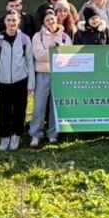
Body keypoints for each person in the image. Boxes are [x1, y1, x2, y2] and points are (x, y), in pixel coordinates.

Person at [0, 9, 33, 151]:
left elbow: (30, 62)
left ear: (19, 21)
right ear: (4, 22)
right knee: (4, 111)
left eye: (14, 20)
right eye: (9, 20)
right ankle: (4, 136)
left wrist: (31, 83)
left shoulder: (25, 39)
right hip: (3, 82)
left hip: (21, 80)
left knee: (20, 110)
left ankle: (16, 135)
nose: (12, 23)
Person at [30, 9, 71, 148]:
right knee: (39, 106)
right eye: (47, 20)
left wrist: (60, 51)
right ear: (44, 22)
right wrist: (53, 51)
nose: (51, 22)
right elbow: (38, 55)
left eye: (52, 19)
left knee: (55, 105)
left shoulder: (65, 36)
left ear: (57, 19)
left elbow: (69, 56)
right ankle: (36, 134)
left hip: (59, 75)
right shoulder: (38, 36)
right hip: (42, 74)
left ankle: (53, 134)